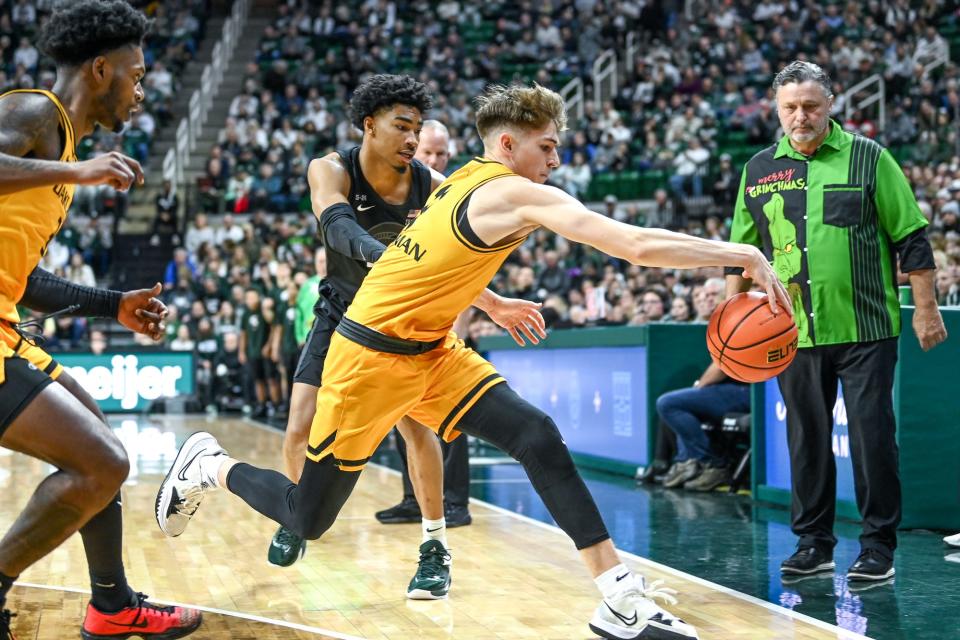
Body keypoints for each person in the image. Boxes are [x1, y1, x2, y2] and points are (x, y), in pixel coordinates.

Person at [157, 83, 789, 640]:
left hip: (431, 350)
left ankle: (619, 599)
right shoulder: (512, 194)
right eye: (547, 146)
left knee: (535, 434)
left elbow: (426, 258)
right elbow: (632, 243)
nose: (557, 159)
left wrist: (490, 299)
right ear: (509, 144)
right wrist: (743, 255)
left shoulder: (456, 180)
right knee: (308, 517)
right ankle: (211, 466)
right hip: (369, 357)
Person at [244, 77, 538, 604]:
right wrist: (385, 257)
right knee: (300, 425)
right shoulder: (331, 167)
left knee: (418, 430)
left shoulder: (434, 184)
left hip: (403, 319)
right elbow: (333, 223)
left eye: (417, 128)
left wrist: (492, 304)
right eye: (402, 126)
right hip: (342, 311)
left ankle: (434, 545)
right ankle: (296, 514)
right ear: (368, 125)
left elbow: (459, 262)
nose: (411, 137)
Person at [0, 1, 201, 637]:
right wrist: (76, 171)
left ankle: (112, 607)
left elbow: (22, 279)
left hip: (5, 322)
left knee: (99, 437)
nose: (141, 90)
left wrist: (109, 304)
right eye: (135, 75)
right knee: (103, 462)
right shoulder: (33, 111)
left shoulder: (58, 147)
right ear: (98, 70)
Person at [725, 61, 947, 582]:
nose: (800, 116)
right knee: (805, 438)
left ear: (830, 106)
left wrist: (927, 307)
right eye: (790, 108)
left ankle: (877, 547)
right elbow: (739, 250)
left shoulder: (870, 159)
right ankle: (814, 543)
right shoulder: (757, 170)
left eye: (810, 106)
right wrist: (729, 311)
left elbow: (910, 236)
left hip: (867, 328)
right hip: (789, 331)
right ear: (776, 110)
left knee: (873, 439)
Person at [375, 118, 474, 529]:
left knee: (451, 421)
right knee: (405, 416)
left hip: (446, 329)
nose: (435, 160)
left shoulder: (452, 199)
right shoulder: (397, 198)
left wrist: (461, 331)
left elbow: (469, 274)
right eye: (428, 153)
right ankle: (414, 498)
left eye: (442, 154)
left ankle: (455, 502)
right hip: (403, 328)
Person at [656, 363, 750, 491]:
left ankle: (711, 464)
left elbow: (721, 366)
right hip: (732, 389)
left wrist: (699, 386)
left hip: (747, 391)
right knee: (681, 403)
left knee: (668, 403)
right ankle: (687, 461)